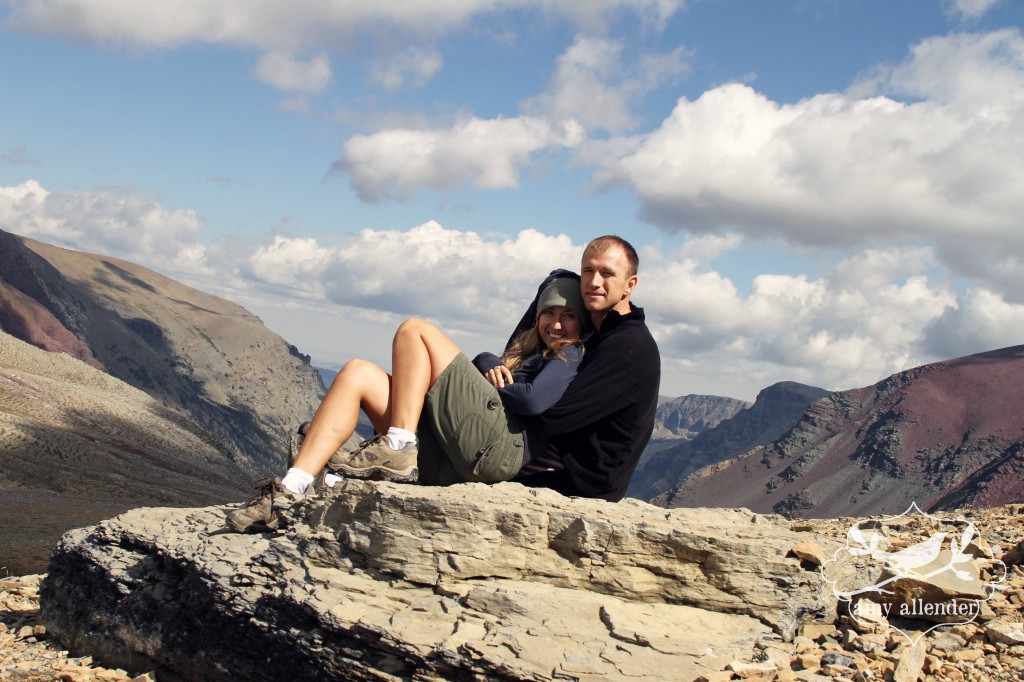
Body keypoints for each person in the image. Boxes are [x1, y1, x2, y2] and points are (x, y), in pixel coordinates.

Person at [226, 271, 590, 533]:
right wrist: (487, 361)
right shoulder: (527, 352)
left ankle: (399, 444)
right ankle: (291, 489)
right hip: (458, 458)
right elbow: (489, 369)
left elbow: (533, 401)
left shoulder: (572, 354)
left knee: (415, 330)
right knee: (357, 373)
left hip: (501, 448)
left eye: (568, 315)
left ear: (581, 324)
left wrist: (489, 382)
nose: (557, 324)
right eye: (550, 313)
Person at [512, 235, 660, 502]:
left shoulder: (627, 347)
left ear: (630, 285)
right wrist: (554, 283)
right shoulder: (600, 330)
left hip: (578, 480)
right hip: (565, 461)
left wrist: (498, 384)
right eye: (587, 271)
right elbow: (518, 350)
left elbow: (551, 416)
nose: (594, 282)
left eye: (607, 274)